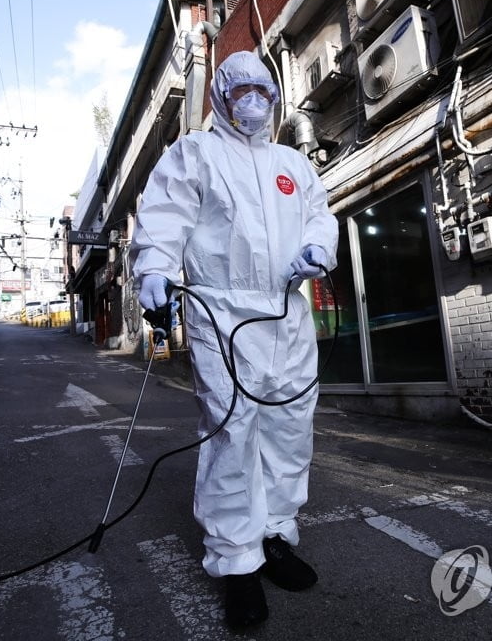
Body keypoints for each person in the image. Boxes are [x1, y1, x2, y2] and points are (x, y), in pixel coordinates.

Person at [130, 50, 338, 628]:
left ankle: (274, 534)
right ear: (220, 95)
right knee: (232, 432)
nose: (253, 98)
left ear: (275, 97)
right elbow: (165, 214)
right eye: (240, 88)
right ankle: (236, 561)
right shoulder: (195, 154)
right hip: (220, 309)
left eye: (262, 89)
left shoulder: (293, 164)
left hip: (287, 312)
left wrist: (320, 247)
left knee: (290, 428)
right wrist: (155, 268)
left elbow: (320, 214)